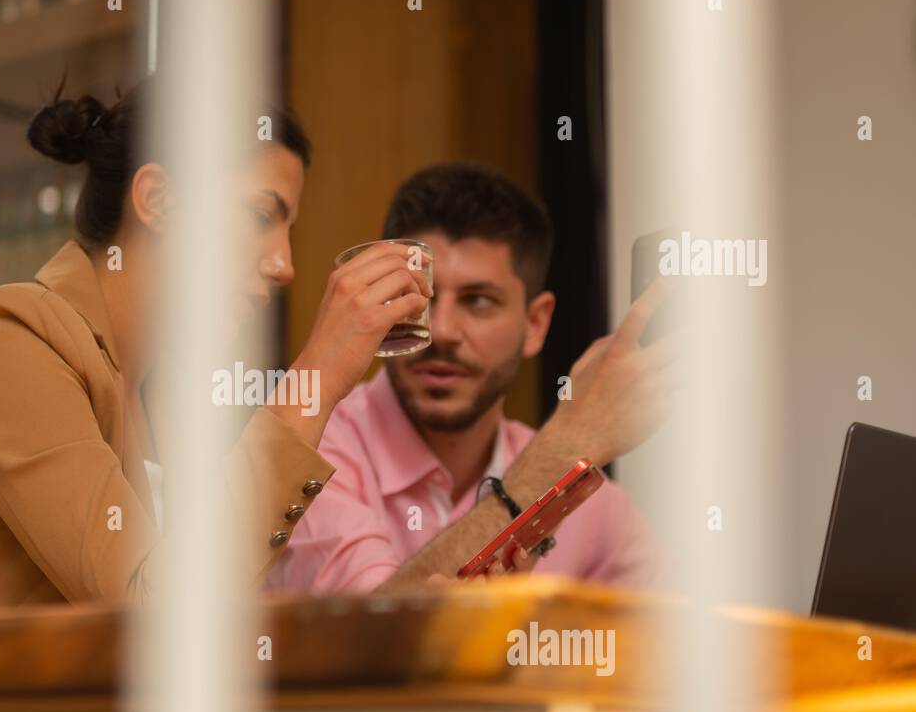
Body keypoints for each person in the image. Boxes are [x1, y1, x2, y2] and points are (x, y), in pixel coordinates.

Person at [0, 79, 430, 712]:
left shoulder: (161, 396)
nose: (283, 265)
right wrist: (317, 377)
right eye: (259, 217)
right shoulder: (9, 337)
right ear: (155, 199)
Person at [268, 163, 675, 596]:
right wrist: (565, 448)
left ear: (535, 324)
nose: (441, 330)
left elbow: (680, 649)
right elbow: (371, 639)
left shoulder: (596, 509)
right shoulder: (313, 451)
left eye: (478, 301)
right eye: (419, 294)